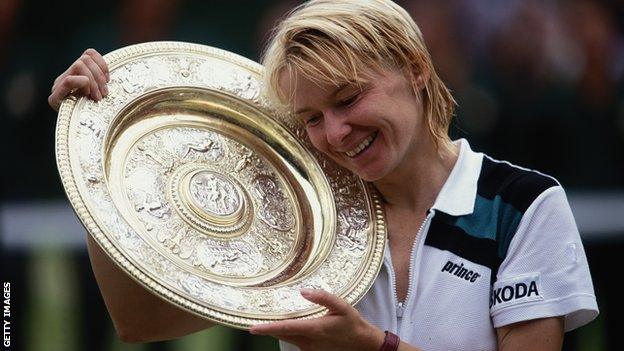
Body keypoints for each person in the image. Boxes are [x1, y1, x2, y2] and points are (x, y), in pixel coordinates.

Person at [48, 1, 599, 350]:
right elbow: (140, 322)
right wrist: (94, 156)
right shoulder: (299, 213)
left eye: (348, 98)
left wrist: (371, 349)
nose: (335, 134)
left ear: (414, 69)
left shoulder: (525, 205)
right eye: (311, 118)